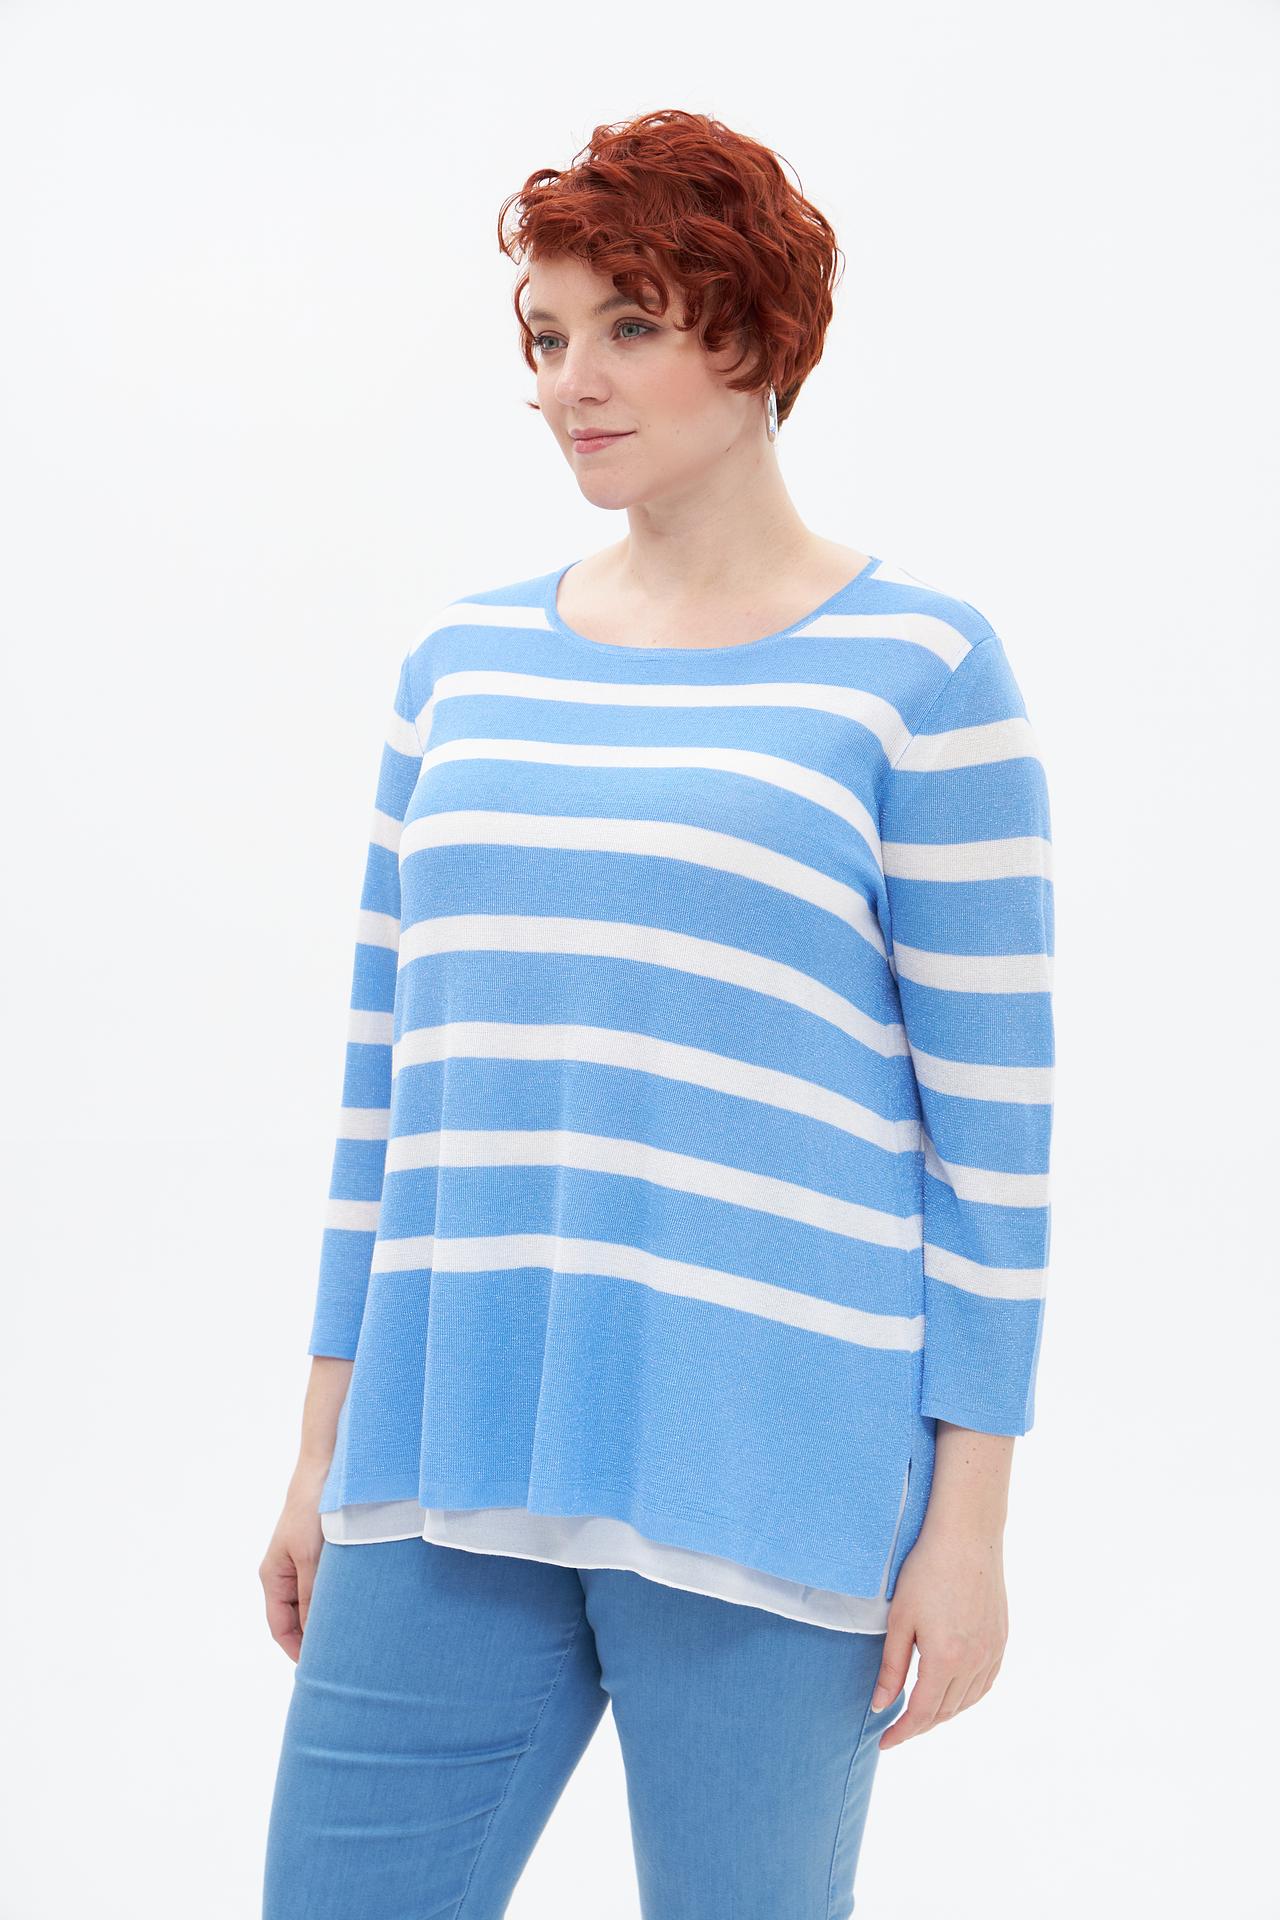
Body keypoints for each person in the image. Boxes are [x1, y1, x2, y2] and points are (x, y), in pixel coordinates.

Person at [259, 107, 1055, 1919]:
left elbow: (991, 1156)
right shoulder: (460, 669)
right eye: (547, 338)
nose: (574, 384)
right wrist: (320, 1450)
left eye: (629, 325)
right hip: (443, 1458)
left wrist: (971, 1526)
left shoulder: (922, 672)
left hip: (769, 1469)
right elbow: (386, 1095)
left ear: (757, 335)